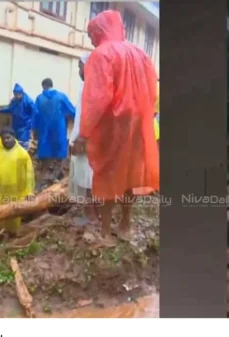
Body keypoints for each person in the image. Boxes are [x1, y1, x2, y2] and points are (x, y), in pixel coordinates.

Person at [73, 10, 159, 246]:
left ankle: (105, 232)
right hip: (138, 123)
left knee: (108, 175)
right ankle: (125, 226)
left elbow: (97, 98)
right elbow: (153, 89)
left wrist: (84, 133)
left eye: (91, 33)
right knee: (131, 174)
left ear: (101, 30)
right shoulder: (141, 54)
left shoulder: (101, 55)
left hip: (113, 126)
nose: (91, 39)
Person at [69, 54, 98, 226]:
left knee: (86, 177)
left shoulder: (91, 87)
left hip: (85, 139)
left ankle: (91, 216)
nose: (78, 70)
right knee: (88, 177)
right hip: (85, 137)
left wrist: (81, 139)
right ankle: (93, 214)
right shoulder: (89, 86)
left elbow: (88, 117)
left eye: (80, 66)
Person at [33, 78, 76, 189]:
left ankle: (45, 184)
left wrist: (34, 130)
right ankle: (59, 181)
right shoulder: (61, 96)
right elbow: (73, 111)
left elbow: (35, 116)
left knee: (46, 162)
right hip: (59, 131)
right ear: (52, 85)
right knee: (59, 158)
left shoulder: (39, 98)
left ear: (43, 86)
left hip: (44, 133)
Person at [0, 83, 36, 150]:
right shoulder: (14, 100)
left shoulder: (28, 101)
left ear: (22, 93)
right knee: (15, 143)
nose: (17, 96)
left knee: (23, 144)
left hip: (25, 126)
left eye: (18, 94)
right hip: (15, 125)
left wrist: (32, 126)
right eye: (15, 95)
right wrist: (0, 110)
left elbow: (35, 112)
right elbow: (10, 109)